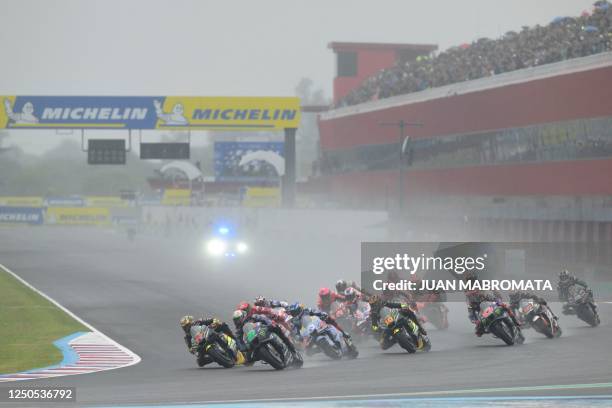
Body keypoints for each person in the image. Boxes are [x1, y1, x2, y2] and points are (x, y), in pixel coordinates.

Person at [232, 309, 302, 365]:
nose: (237, 322)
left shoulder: (253, 317)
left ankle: (292, 350)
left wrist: (271, 324)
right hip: (252, 340)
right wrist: (242, 348)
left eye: (238, 319)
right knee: (248, 359)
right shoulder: (239, 330)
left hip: (263, 330)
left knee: (278, 330)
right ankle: (264, 357)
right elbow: (238, 340)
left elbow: (264, 319)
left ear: (243, 316)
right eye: (235, 320)